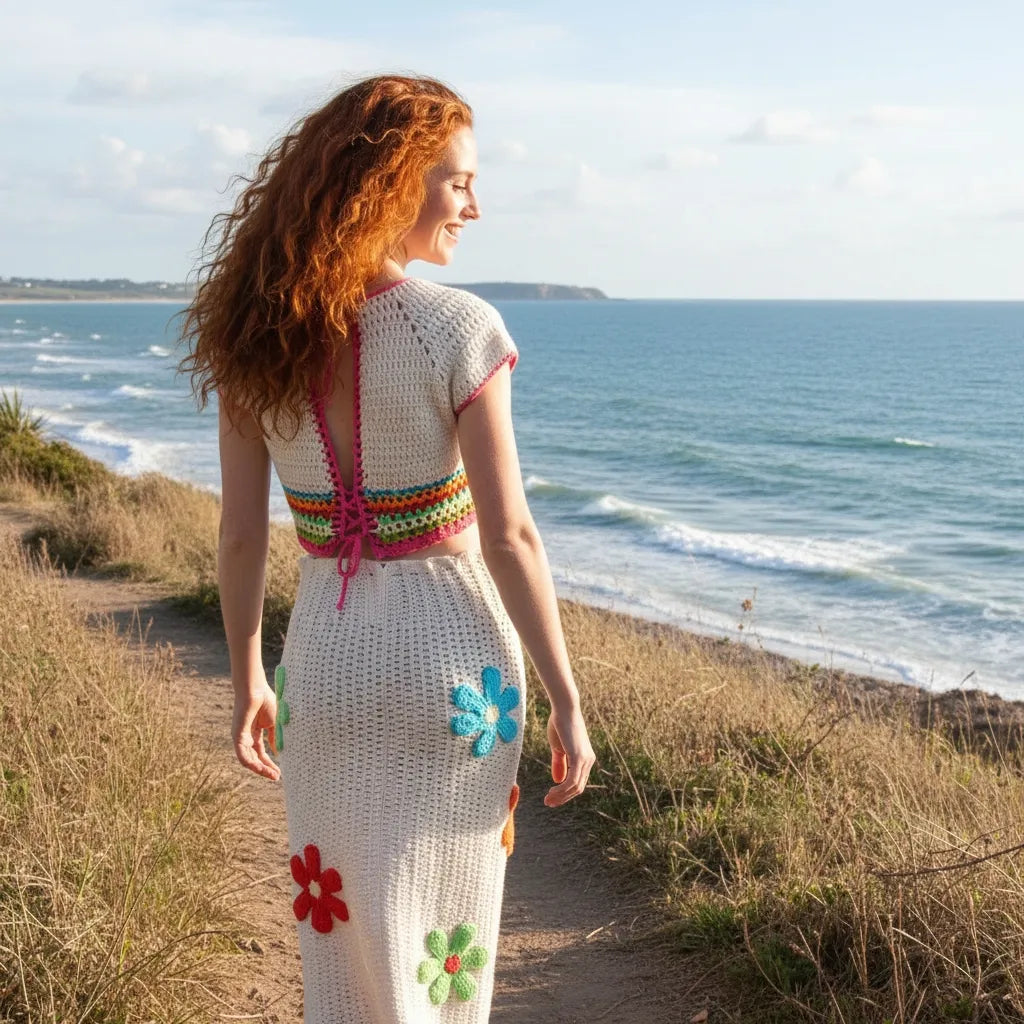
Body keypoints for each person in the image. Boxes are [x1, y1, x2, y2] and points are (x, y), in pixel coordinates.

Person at [179, 73, 595, 1022]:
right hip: (458, 676)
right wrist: (567, 699)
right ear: (393, 181)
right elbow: (509, 536)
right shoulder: (460, 328)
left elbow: (240, 534)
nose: (473, 206)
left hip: (322, 666)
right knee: (443, 943)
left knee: (347, 934)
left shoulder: (255, 338)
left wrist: (248, 677)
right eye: (459, 182)